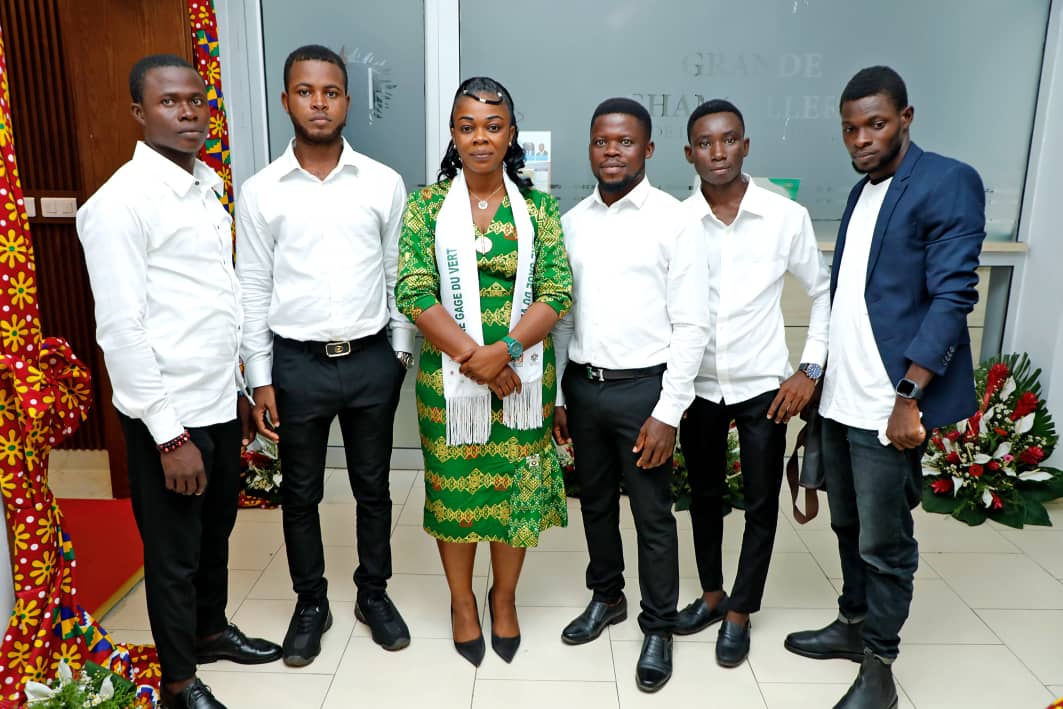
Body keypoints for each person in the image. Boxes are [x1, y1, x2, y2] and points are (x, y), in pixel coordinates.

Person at [77, 54, 282, 709]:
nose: (189, 112)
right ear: (139, 112)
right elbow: (121, 332)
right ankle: (178, 683)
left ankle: (209, 631)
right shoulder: (119, 204)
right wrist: (169, 437)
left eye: (196, 100)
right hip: (166, 415)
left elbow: (211, 299)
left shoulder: (205, 186)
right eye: (170, 102)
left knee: (215, 534)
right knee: (173, 555)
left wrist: (239, 390)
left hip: (216, 398)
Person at [784, 66, 986, 709]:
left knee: (885, 543)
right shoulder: (863, 191)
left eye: (875, 124)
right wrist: (820, 381)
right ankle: (853, 623)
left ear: (906, 117)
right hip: (843, 401)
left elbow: (953, 297)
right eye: (850, 129)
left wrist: (908, 396)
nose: (861, 139)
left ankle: (880, 666)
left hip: (887, 404)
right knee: (847, 525)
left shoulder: (947, 181)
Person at [236, 45, 414, 666]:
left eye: (331, 92)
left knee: (373, 489)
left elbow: (398, 274)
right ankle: (311, 603)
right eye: (306, 92)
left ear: (347, 101)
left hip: (369, 360)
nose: (319, 103)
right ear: (286, 100)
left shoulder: (382, 183)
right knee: (301, 494)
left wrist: (398, 354)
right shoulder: (261, 191)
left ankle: (374, 594)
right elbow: (252, 285)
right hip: (296, 365)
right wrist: (260, 377)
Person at [395, 76, 572, 667]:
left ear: (511, 134)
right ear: (453, 133)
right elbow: (414, 290)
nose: (480, 138)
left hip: (524, 379)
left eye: (493, 127)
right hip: (450, 386)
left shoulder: (540, 210)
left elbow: (556, 290)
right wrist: (479, 359)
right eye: (467, 126)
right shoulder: (425, 207)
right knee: (454, 491)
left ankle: (503, 598)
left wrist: (506, 351)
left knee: (516, 490)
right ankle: (462, 601)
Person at [552, 98, 710, 693]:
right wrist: (561, 393)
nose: (612, 151)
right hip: (585, 387)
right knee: (594, 504)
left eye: (624, 141)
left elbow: (692, 325)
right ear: (590, 148)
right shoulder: (572, 222)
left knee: (651, 515)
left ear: (648, 149)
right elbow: (563, 316)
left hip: (646, 390)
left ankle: (659, 625)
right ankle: (607, 597)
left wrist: (668, 412)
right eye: (601, 141)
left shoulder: (675, 221)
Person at [675, 99, 830, 667]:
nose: (718, 152)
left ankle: (741, 611)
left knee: (762, 503)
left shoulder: (785, 217)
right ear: (689, 153)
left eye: (729, 139)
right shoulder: (677, 221)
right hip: (698, 387)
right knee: (703, 498)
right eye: (705, 143)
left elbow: (824, 291)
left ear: (746, 145)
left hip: (765, 387)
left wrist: (810, 369)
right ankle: (713, 595)